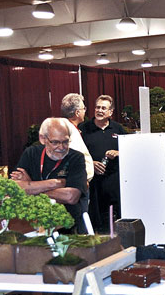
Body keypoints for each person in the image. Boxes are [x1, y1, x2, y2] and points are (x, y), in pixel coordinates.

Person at [11, 118, 88, 232]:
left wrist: (31, 187)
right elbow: (14, 187)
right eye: (55, 142)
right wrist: (55, 183)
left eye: (65, 141)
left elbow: (71, 197)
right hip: (33, 222)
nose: (61, 147)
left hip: (66, 225)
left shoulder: (76, 158)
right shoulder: (31, 153)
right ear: (43, 139)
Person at [80, 95, 126, 230]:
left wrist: (118, 153)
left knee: (117, 218)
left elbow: (129, 150)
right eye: (97, 107)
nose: (99, 110)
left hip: (114, 182)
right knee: (95, 220)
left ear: (110, 112)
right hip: (93, 184)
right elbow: (76, 154)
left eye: (103, 108)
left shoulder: (118, 129)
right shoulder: (84, 129)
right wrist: (91, 163)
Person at [60, 93, 94, 181]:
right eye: (84, 108)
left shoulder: (65, 127)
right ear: (77, 112)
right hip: (76, 182)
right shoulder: (69, 130)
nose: (85, 111)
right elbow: (73, 159)